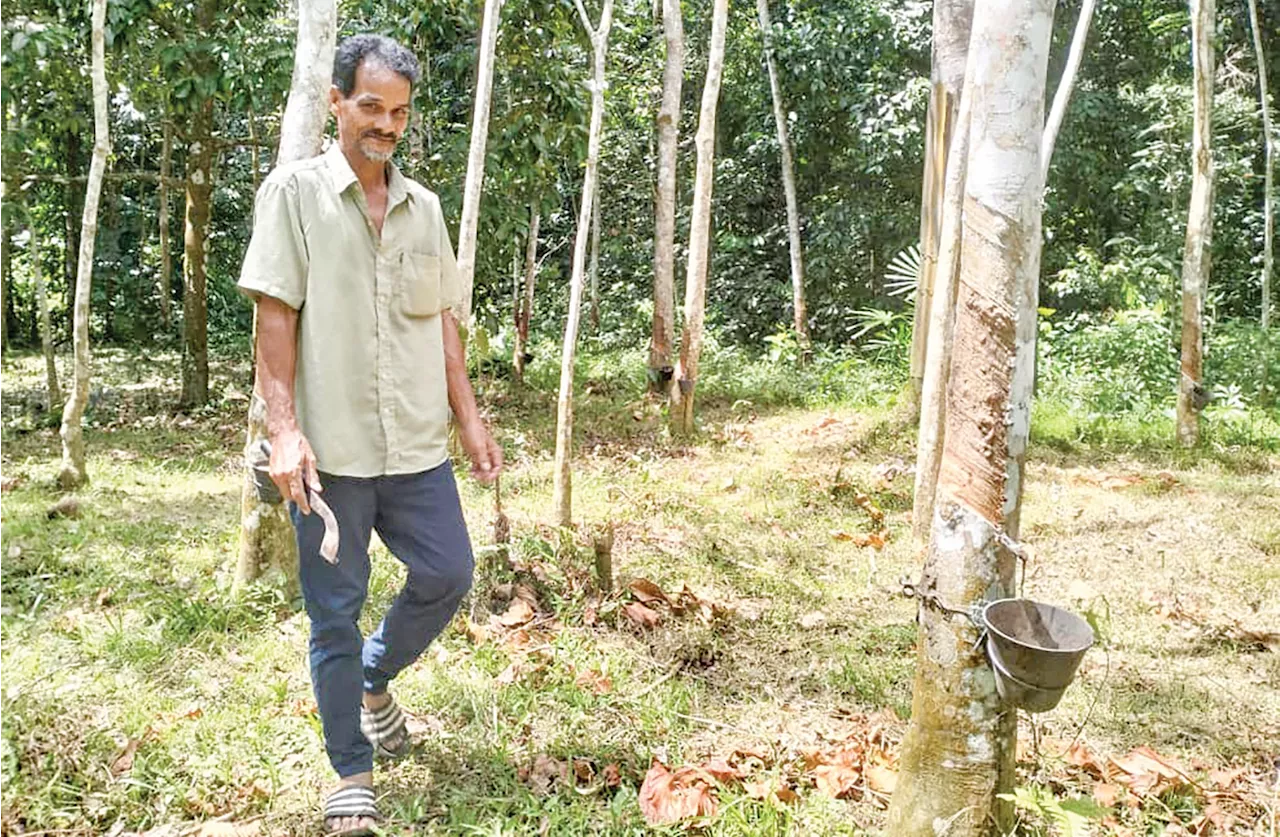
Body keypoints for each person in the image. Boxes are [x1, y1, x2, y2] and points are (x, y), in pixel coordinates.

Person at [237, 34, 502, 836]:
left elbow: (442, 320)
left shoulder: (423, 207)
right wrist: (283, 431)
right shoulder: (294, 193)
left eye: (399, 113)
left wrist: (468, 412)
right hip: (332, 454)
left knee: (449, 571)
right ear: (337, 103)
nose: (386, 125)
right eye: (371, 107)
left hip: (417, 445)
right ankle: (352, 769)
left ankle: (374, 677)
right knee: (334, 615)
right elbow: (274, 317)